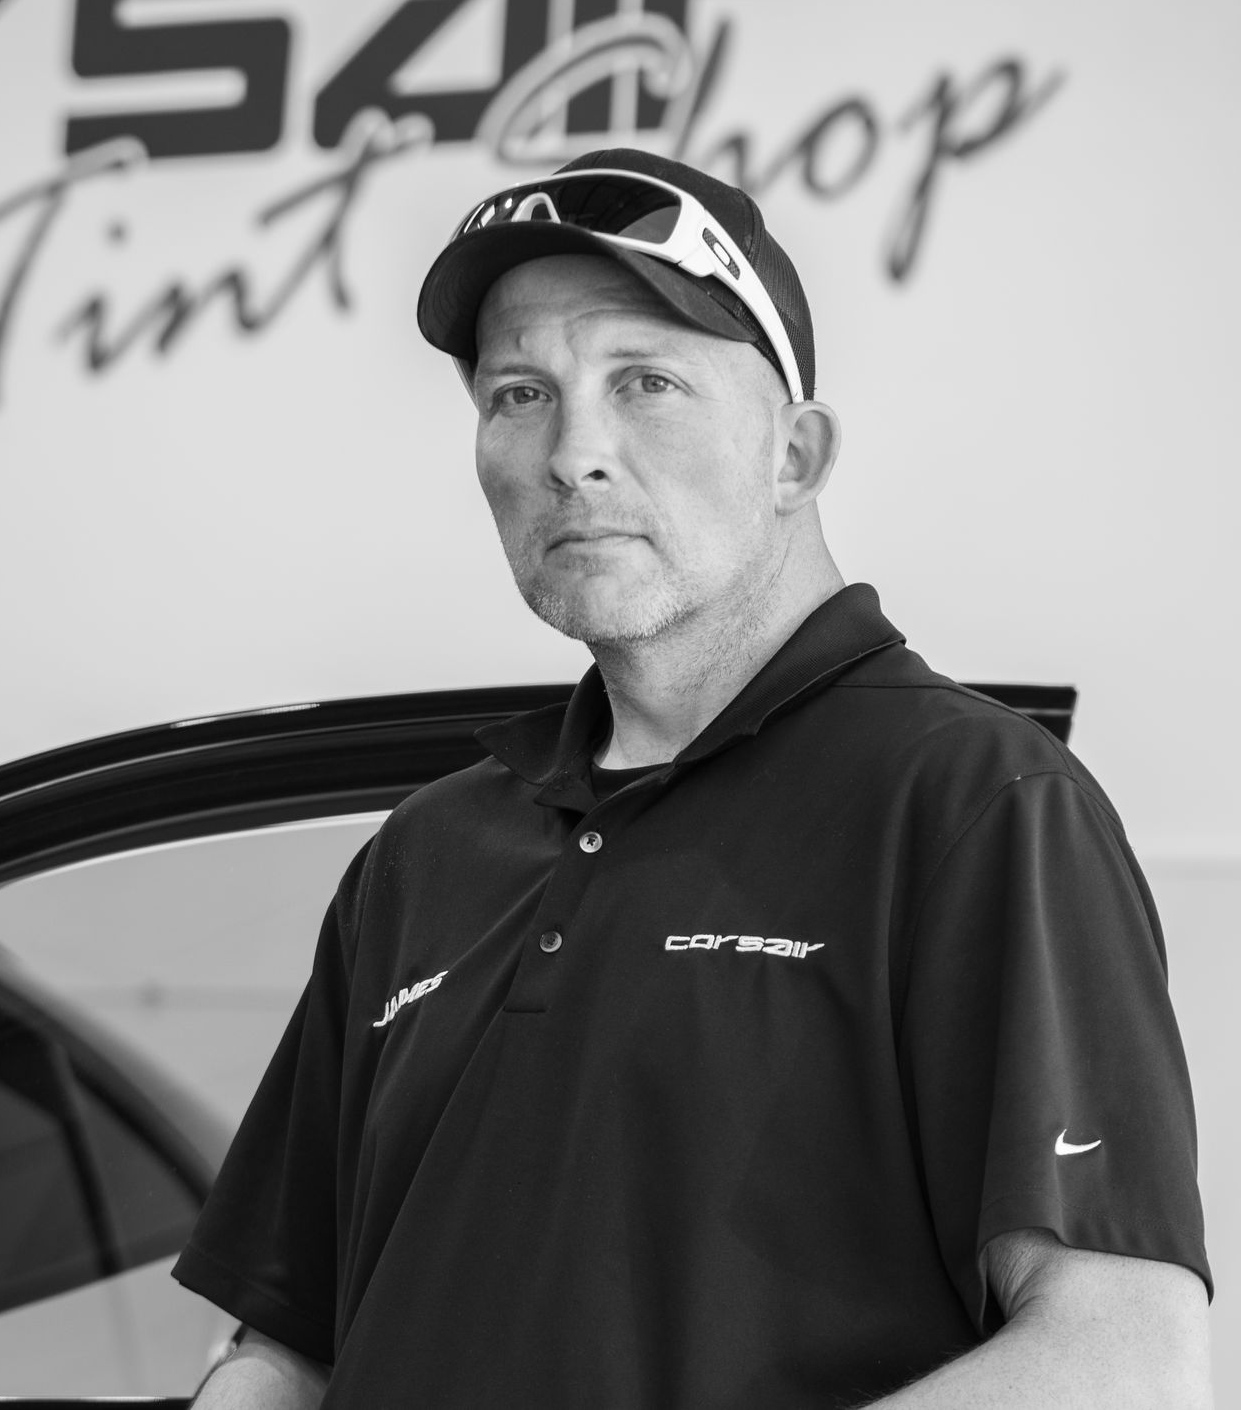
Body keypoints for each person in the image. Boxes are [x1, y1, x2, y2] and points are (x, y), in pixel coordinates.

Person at [170, 149, 1214, 1409]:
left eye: (646, 381)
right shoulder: (424, 855)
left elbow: (1121, 1362)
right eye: (518, 393)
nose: (573, 454)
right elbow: (289, 1343)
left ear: (795, 455)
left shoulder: (974, 802)